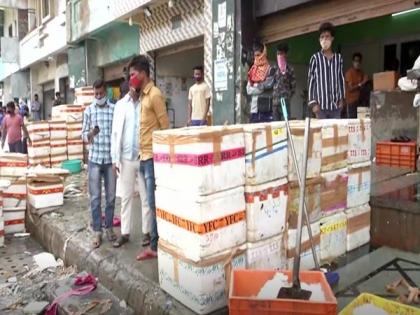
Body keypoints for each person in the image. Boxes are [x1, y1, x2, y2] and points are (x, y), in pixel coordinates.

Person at [128, 55, 169, 261]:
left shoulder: (154, 95)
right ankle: (156, 242)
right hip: (143, 157)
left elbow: (164, 128)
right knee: (150, 203)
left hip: (153, 158)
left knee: (154, 204)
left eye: (133, 74)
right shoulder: (143, 96)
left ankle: (156, 245)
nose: (131, 79)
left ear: (143, 73)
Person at [111, 71, 152, 248]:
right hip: (126, 159)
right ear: (130, 86)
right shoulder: (120, 106)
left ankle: (146, 232)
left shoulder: (145, 102)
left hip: (143, 157)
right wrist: (115, 159)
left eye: (138, 88)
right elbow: (115, 134)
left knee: (145, 197)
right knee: (126, 197)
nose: (136, 91)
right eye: (134, 88)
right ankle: (125, 233)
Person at [82, 79, 116, 248]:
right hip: (95, 160)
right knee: (95, 198)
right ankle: (97, 231)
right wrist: (91, 134)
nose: (98, 96)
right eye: (96, 94)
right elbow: (83, 135)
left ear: (106, 92)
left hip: (110, 161)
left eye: (101, 93)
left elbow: (117, 133)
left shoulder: (114, 110)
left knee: (110, 198)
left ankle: (109, 228)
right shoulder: (89, 111)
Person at [308, 22, 345, 119]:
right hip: (320, 108)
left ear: (332, 38)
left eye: (327, 36)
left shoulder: (338, 58)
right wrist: (313, 103)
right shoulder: (315, 58)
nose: (324, 39)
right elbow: (311, 82)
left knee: (335, 133)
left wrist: (341, 99)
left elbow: (341, 79)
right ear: (319, 40)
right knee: (321, 134)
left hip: (336, 107)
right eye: (322, 37)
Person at [247, 42, 275, 123]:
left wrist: (255, 86)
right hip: (254, 110)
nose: (257, 58)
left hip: (266, 110)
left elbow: (268, 85)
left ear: (264, 54)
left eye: (259, 55)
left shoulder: (270, 70)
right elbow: (248, 90)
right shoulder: (252, 71)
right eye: (255, 55)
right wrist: (260, 86)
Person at [272, 43, 296, 121]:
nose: (279, 55)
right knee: (276, 127)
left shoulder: (290, 69)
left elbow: (293, 86)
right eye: (278, 54)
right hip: (275, 103)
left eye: (281, 53)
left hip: (285, 102)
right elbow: (270, 84)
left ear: (285, 54)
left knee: (286, 124)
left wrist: (287, 96)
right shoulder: (274, 69)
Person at [344, 53, 368, 118]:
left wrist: (366, 81)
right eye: (356, 61)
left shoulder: (361, 72)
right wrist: (362, 83)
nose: (357, 63)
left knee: (359, 123)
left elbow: (363, 85)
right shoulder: (349, 73)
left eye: (359, 61)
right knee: (351, 122)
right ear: (353, 61)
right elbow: (350, 88)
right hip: (351, 102)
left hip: (359, 102)